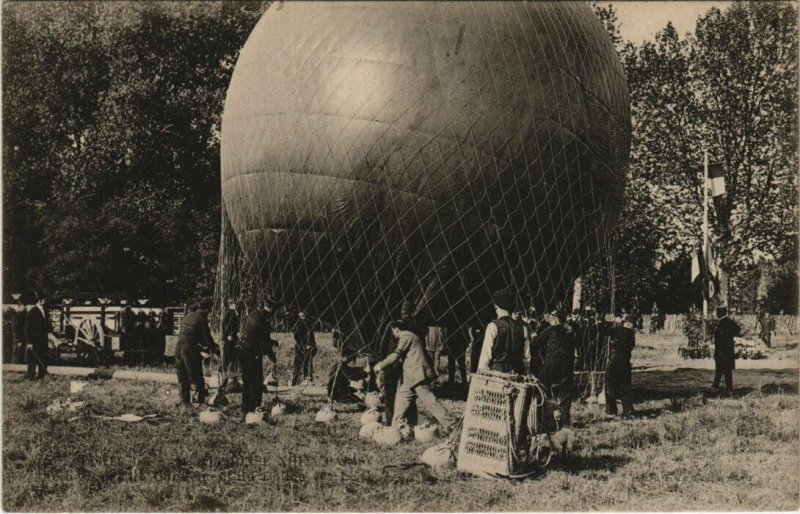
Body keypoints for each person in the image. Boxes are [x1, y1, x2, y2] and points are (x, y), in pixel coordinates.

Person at [373, 319, 455, 431]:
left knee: (431, 402)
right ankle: (394, 428)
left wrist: (380, 365)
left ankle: (452, 424)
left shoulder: (407, 337)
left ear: (396, 329)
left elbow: (396, 355)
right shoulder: (411, 336)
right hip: (409, 378)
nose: (393, 334)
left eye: (393, 331)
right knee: (401, 402)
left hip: (417, 376)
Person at [532, 309, 576, 429]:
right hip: (566, 363)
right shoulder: (570, 331)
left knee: (542, 388)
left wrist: (534, 337)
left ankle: (542, 417)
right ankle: (565, 422)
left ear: (555, 319)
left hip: (551, 362)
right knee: (565, 392)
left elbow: (535, 344)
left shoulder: (551, 330)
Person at [238, 302, 278, 415]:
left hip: (242, 349)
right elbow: (264, 340)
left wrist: (272, 342)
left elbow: (259, 335)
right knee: (256, 380)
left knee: (246, 380)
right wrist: (272, 356)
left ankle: (245, 408)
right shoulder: (264, 320)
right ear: (271, 309)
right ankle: (254, 407)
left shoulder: (253, 314)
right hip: (252, 352)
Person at [477, 289, 529, 374]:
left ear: (496, 306)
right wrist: (526, 373)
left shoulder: (493, 326)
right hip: (517, 374)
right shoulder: (523, 328)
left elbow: (485, 356)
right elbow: (526, 357)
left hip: (497, 375)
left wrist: (480, 372)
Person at [175, 302, 216, 408]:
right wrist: (215, 348)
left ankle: (184, 401)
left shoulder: (188, 316)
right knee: (196, 374)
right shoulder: (202, 317)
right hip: (189, 349)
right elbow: (207, 337)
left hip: (178, 347)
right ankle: (199, 401)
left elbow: (192, 334)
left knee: (182, 375)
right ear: (206, 310)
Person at [605, 316, 635, 417]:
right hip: (625, 362)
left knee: (610, 384)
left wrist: (612, 322)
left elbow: (606, 331)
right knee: (625, 386)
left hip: (615, 361)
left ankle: (611, 410)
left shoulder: (619, 330)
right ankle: (628, 410)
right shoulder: (631, 335)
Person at [713, 306, 740, 394]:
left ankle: (724, 387)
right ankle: (721, 386)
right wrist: (730, 336)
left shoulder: (723, 322)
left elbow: (719, 337)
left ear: (720, 313)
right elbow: (738, 329)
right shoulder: (728, 321)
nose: (716, 314)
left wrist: (726, 337)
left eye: (717, 312)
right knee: (725, 369)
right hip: (728, 349)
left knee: (722, 368)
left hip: (722, 350)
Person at [24, 293, 51, 380]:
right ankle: (30, 376)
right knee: (33, 359)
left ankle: (41, 376)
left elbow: (47, 326)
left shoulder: (45, 311)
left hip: (43, 340)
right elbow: (27, 328)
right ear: (40, 300)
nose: (45, 301)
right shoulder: (33, 311)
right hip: (35, 340)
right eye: (44, 299)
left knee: (43, 358)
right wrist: (30, 342)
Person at [291, 311, 316, 385]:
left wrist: (312, 345)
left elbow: (311, 336)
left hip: (308, 347)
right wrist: (303, 346)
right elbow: (296, 336)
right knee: (299, 365)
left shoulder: (308, 324)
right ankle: (295, 382)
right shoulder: (299, 324)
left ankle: (307, 380)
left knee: (307, 364)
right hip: (301, 347)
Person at [222, 300, 241, 375]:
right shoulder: (229, 314)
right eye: (232, 304)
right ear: (229, 305)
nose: (234, 305)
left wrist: (237, 332)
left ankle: (232, 370)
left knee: (233, 354)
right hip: (229, 337)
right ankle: (226, 371)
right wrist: (226, 336)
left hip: (233, 337)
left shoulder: (234, 314)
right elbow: (225, 326)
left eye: (234, 304)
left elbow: (236, 326)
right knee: (228, 355)